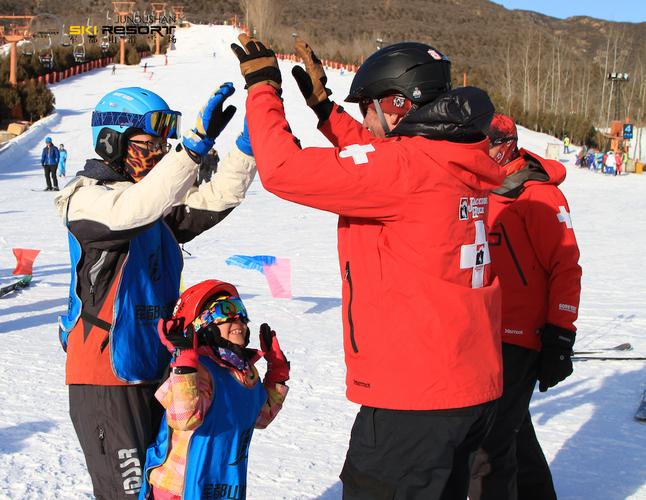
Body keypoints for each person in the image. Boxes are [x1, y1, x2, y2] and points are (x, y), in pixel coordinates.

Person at [232, 35, 505, 499]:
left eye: (368, 108)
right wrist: (326, 113)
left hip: (414, 400)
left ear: (397, 104)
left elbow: (283, 169)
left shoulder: (405, 170)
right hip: (469, 390)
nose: (366, 120)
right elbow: (386, 155)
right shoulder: (458, 155)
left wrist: (262, 88)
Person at [54, 83, 257, 499]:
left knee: (164, 486)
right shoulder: (86, 200)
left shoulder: (154, 207)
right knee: (125, 494)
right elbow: (135, 209)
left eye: (165, 145)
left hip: (157, 371)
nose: (160, 153)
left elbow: (215, 199)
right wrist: (193, 148)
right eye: (150, 144)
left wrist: (247, 148)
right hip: (107, 378)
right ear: (112, 142)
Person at [469, 114, 582, 500]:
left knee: (489, 441)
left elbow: (566, 267)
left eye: (488, 147)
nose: (480, 155)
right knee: (512, 433)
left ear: (507, 146)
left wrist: (560, 333)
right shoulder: (478, 189)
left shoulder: (537, 194)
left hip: (519, 336)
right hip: (484, 329)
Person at [139, 280, 289, 499]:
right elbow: (184, 418)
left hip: (221, 484)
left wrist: (278, 372)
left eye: (241, 313)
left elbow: (261, 417)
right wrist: (185, 364)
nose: (238, 319)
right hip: (177, 488)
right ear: (203, 324)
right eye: (225, 312)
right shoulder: (198, 370)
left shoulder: (245, 374)